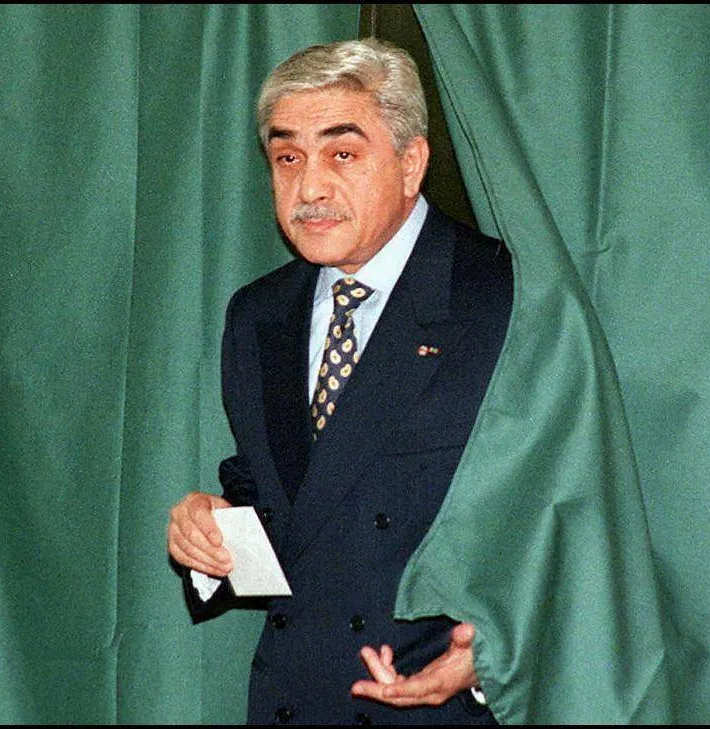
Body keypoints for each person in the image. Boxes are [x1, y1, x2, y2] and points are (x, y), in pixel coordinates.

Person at [167, 38, 512, 725]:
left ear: (411, 163)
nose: (310, 188)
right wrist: (208, 535)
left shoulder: (503, 298)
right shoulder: (260, 314)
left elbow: (576, 518)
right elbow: (291, 512)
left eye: (342, 154)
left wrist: (503, 651)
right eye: (288, 158)